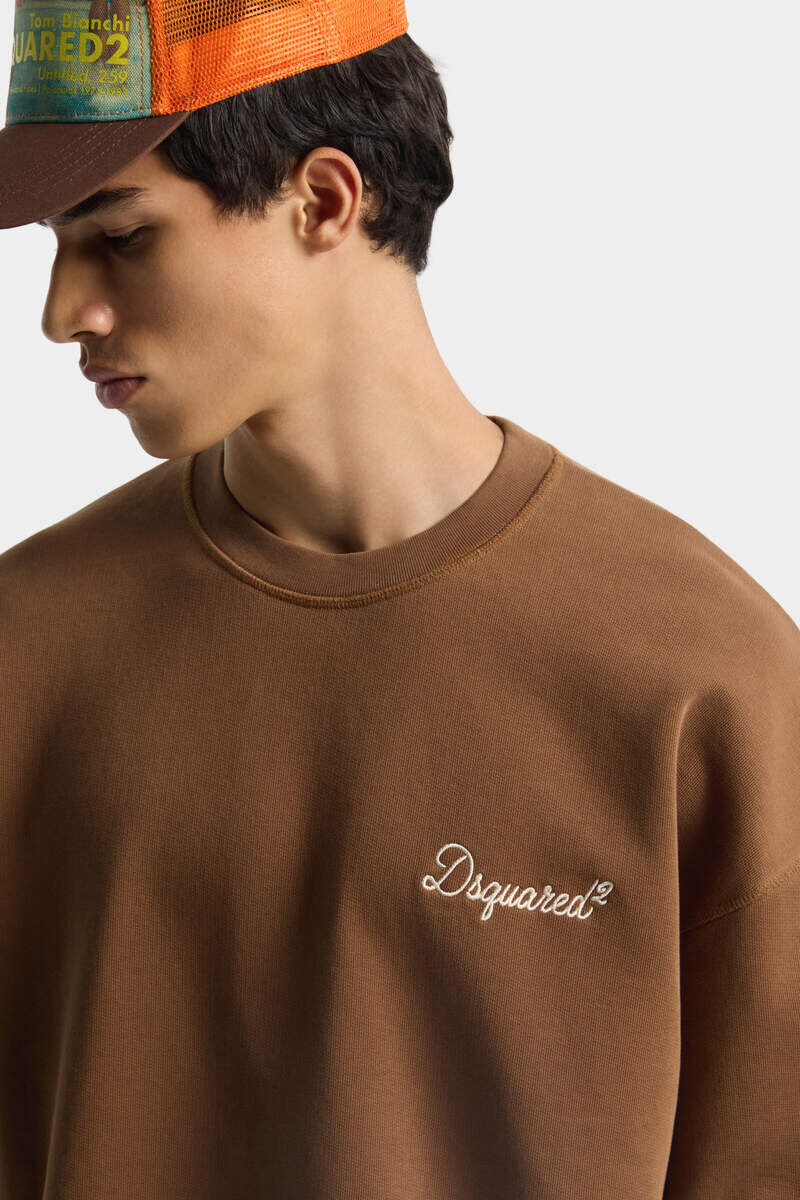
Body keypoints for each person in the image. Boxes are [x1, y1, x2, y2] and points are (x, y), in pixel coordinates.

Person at [1, 3, 798, 1197]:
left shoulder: (699, 674)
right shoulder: (26, 647)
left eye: (119, 235)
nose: (63, 311)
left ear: (324, 201)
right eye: (58, 247)